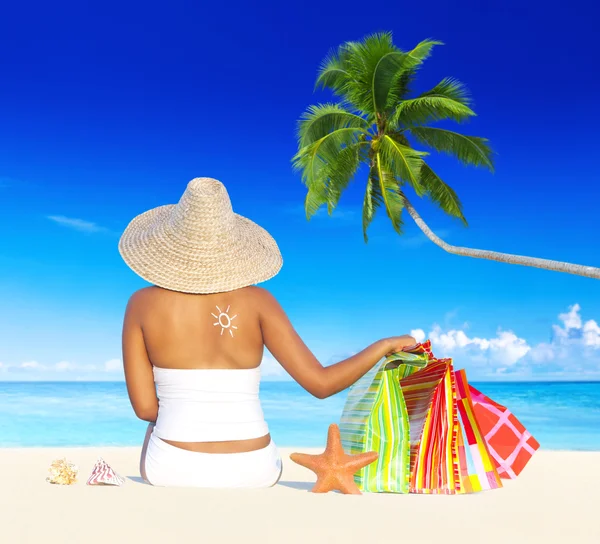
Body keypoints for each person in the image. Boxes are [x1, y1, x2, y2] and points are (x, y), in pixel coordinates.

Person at [119, 177, 417, 488]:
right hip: (254, 468)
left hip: (173, 467)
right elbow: (321, 384)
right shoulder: (259, 302)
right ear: (232, 244)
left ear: (171, 243)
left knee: (156, 427)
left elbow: (145, 409)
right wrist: (384, 345)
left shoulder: (142, 303)